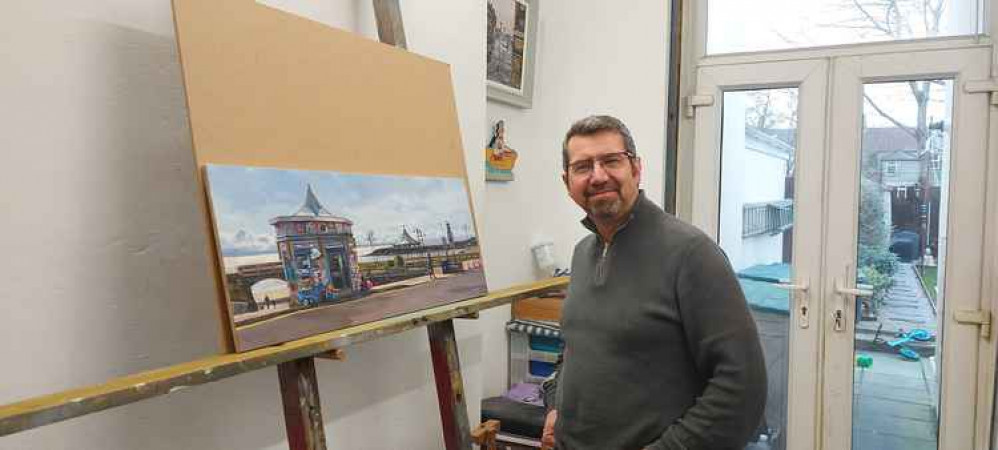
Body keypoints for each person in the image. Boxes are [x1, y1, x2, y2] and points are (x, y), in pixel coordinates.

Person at [541, 115, 767, 450]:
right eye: (583, 166)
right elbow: (576, 348)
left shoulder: (691, 254)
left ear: (636, 168)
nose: (598, 175)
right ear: (567, 181)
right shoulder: (582, 253)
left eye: (611, 161)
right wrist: (555, 405)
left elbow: (742, 386)